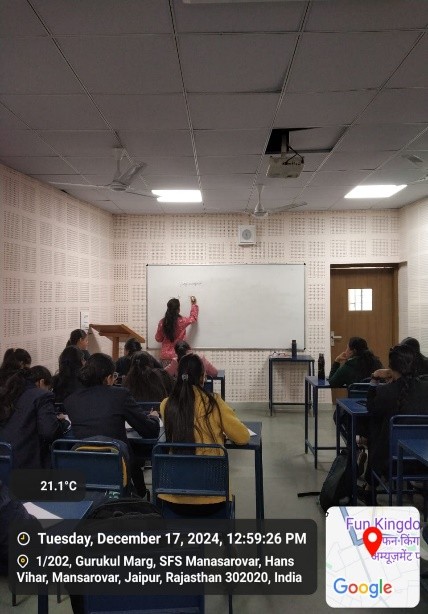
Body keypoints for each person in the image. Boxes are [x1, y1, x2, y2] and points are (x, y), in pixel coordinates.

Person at [159, 354, 249, 515]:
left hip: (173, 499)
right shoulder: (213, 402)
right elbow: (242, 438)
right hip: (213, 499)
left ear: (177, 375)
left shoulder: (166, 404)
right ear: (203, 377)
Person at [63, 353, 160, 497]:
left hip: (85, 469)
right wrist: (154, 417)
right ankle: (139, 494)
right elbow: (149, 430)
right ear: (108, 378)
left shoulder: (70, 401)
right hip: (119, 465)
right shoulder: (120, 395)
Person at [361, 344, 428, 501]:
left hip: (393, 463)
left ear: (391, 368)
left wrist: (374, 378)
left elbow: (371, 408)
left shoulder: (385, 392)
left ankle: (370, 487)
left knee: (376, 428)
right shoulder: (425, 389)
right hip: (423, 461)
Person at [0, 366, 68, 469]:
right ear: (41, 382)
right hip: (28, 463)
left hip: (4, 460)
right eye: (49, 388)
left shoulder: (9, 393)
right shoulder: (42, 395)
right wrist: (62, 423)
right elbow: (49, 432)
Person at [155, 296, 199, 366]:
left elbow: (158, 339)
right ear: (178, 309)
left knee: (166, 373)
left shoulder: (162, 322)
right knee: (179, 373)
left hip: (165, 356)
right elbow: (193, 318)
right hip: (178, 355)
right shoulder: (182, 321)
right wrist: (194, 304)